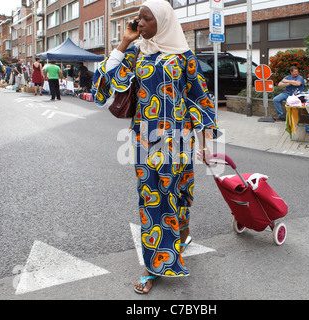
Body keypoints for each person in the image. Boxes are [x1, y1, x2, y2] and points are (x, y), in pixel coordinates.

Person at [92, 0, 220, 294]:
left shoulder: (183, 57)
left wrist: (207, 143)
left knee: (181, 191)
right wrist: (123, 43)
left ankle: (182, 235)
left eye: (146, 19)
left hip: (179, 139)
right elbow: (104, 87)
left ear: (162, 22)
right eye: (138, 19)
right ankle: (156, 265)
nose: (140, 24)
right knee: (154, 201)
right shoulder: (137, 54)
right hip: (146, 141)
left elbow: (200, 101)